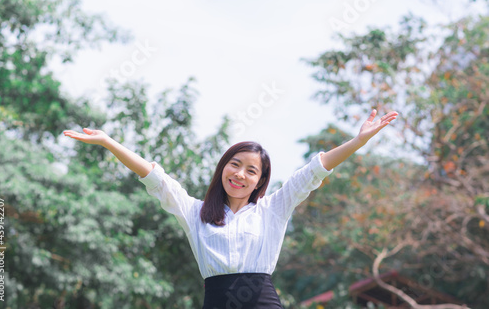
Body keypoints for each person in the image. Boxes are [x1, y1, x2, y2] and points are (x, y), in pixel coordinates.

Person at [63, 109, 398, 309]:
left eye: (251, 171)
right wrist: (108, 142)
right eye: (234, 165)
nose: (240, 174)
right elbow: (153, 176)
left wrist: (358, 142)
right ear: (222, 168)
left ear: (259, 181)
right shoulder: (194, 212)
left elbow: (315, 170)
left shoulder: (273, 209)